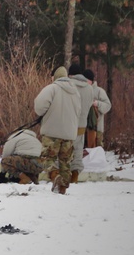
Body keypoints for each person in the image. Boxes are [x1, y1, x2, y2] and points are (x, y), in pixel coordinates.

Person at [34, 66, 81, 194]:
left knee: (47, 158)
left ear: (55, 76)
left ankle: (55, 177)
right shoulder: (75, 91)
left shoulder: (51, 88)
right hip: (69, 134)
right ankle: (62, 189)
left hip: (52, 132)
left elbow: (39, 108)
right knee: (65, 162)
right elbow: (79, 111)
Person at [66, 63, 96, 184]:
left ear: (70, 74)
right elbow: (89, 105)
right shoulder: (90, 89)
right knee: (78, 152)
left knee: (64, 151)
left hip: (68, 124)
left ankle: (60, 175)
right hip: (81, 125)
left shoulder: (68, 85)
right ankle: (75, 176)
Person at [83, 69, 112, 150]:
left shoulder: (99, 91)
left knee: (97, 151)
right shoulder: (82, 91)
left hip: (97, 129)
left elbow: (108, 106)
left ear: (90, 80)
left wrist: (97, 103)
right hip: (83, 128)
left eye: (86, 80)